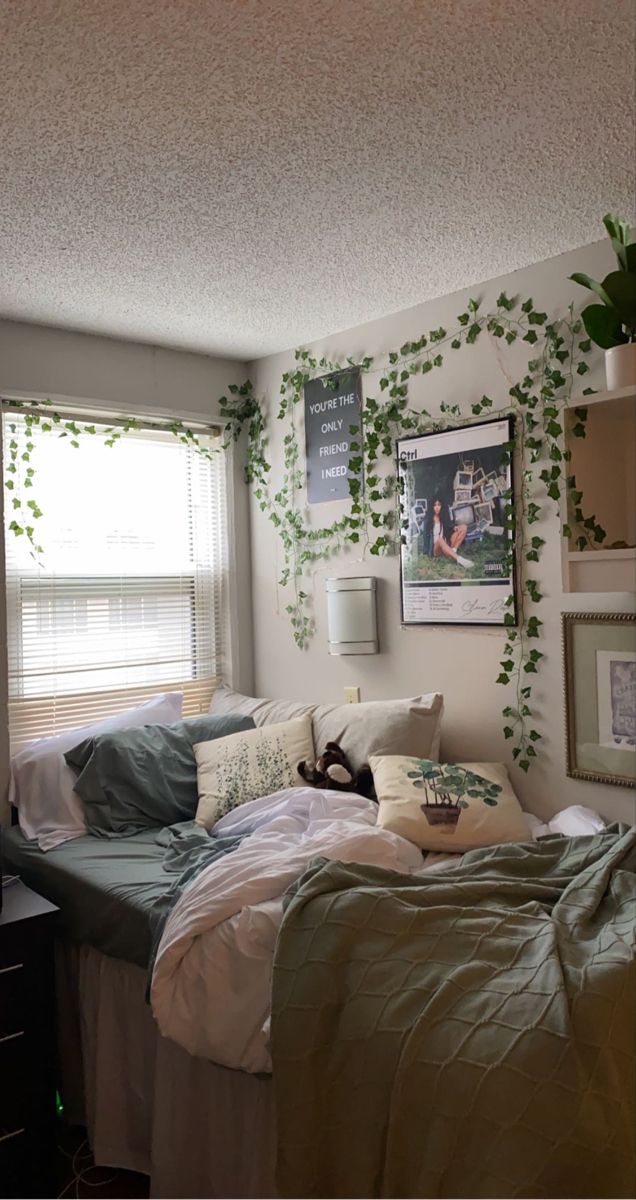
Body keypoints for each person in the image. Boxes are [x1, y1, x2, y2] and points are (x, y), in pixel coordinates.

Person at [421, 496, 473, 568]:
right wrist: (427, 555)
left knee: (463, 527)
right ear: (431, 507)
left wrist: (454, 527)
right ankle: (460, 560)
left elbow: (449, 526)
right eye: (435, 505)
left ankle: (453, 551)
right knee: (440, 540)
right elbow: (425, 539)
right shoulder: (428, 520)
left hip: (446, 544)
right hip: (435, 549)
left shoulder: (443, 516)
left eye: (439, 505)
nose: (437, 507)